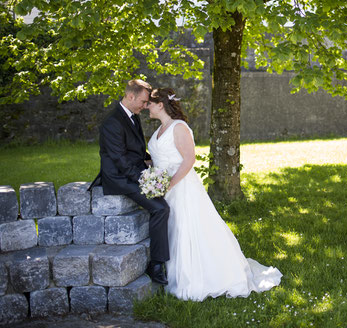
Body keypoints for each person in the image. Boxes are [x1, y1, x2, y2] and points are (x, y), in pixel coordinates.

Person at [147, 88, 282, 301]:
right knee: (173, 230)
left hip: (181, 187)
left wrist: (169, 185)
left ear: (160, 105)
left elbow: (189, 160)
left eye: (150, 104)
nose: (147, 107)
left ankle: (199, 278)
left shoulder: (179, 127)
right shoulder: (159, 131)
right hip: (164, 187)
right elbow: (160, 158)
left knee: (187, 229)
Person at [89, 79, 170, 285]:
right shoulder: (112, 121)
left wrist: (153, 164)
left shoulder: (132, 116)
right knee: (160, 208)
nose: (145, 106)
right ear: (130, 96)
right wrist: (146, 180)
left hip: (133, 172)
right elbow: (120, 161)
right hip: (118, 177)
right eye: (143, 102)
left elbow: (135, 151)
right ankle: (157, 264)